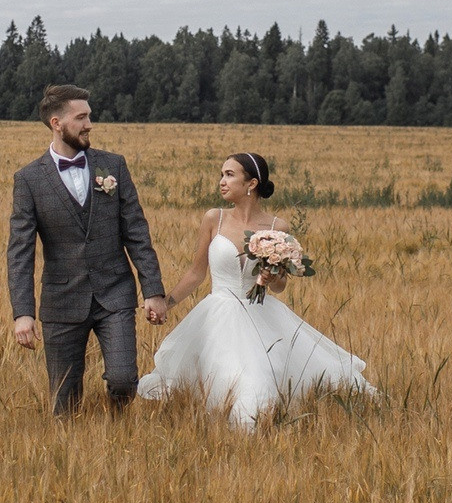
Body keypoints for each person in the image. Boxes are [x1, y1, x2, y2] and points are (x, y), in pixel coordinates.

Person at [138, 151, 374, 430]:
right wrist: (166, 303)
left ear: (250, 184)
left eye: (229, 175)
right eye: (221, 174)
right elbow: (196, 273)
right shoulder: (214, 218)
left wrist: (270, 274)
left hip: (261, 314)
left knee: (260, 377)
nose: (221, 181)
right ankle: (224, 425)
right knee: (223, 374)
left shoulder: (278, 227)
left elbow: (281, 286)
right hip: (217, 315)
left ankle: (254, 423)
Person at [6, 84, 169, 415]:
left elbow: (136, 231)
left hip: (115, 293)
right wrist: (23, 312)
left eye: (89, 116)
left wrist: (153, 290)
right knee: (64, 402)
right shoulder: (29, 180)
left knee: (124, 381)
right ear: (57, 122)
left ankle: (117, 433)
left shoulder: (113, 166)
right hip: (61, 301)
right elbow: (20, 252)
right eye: (81, 117)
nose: (89, 123)